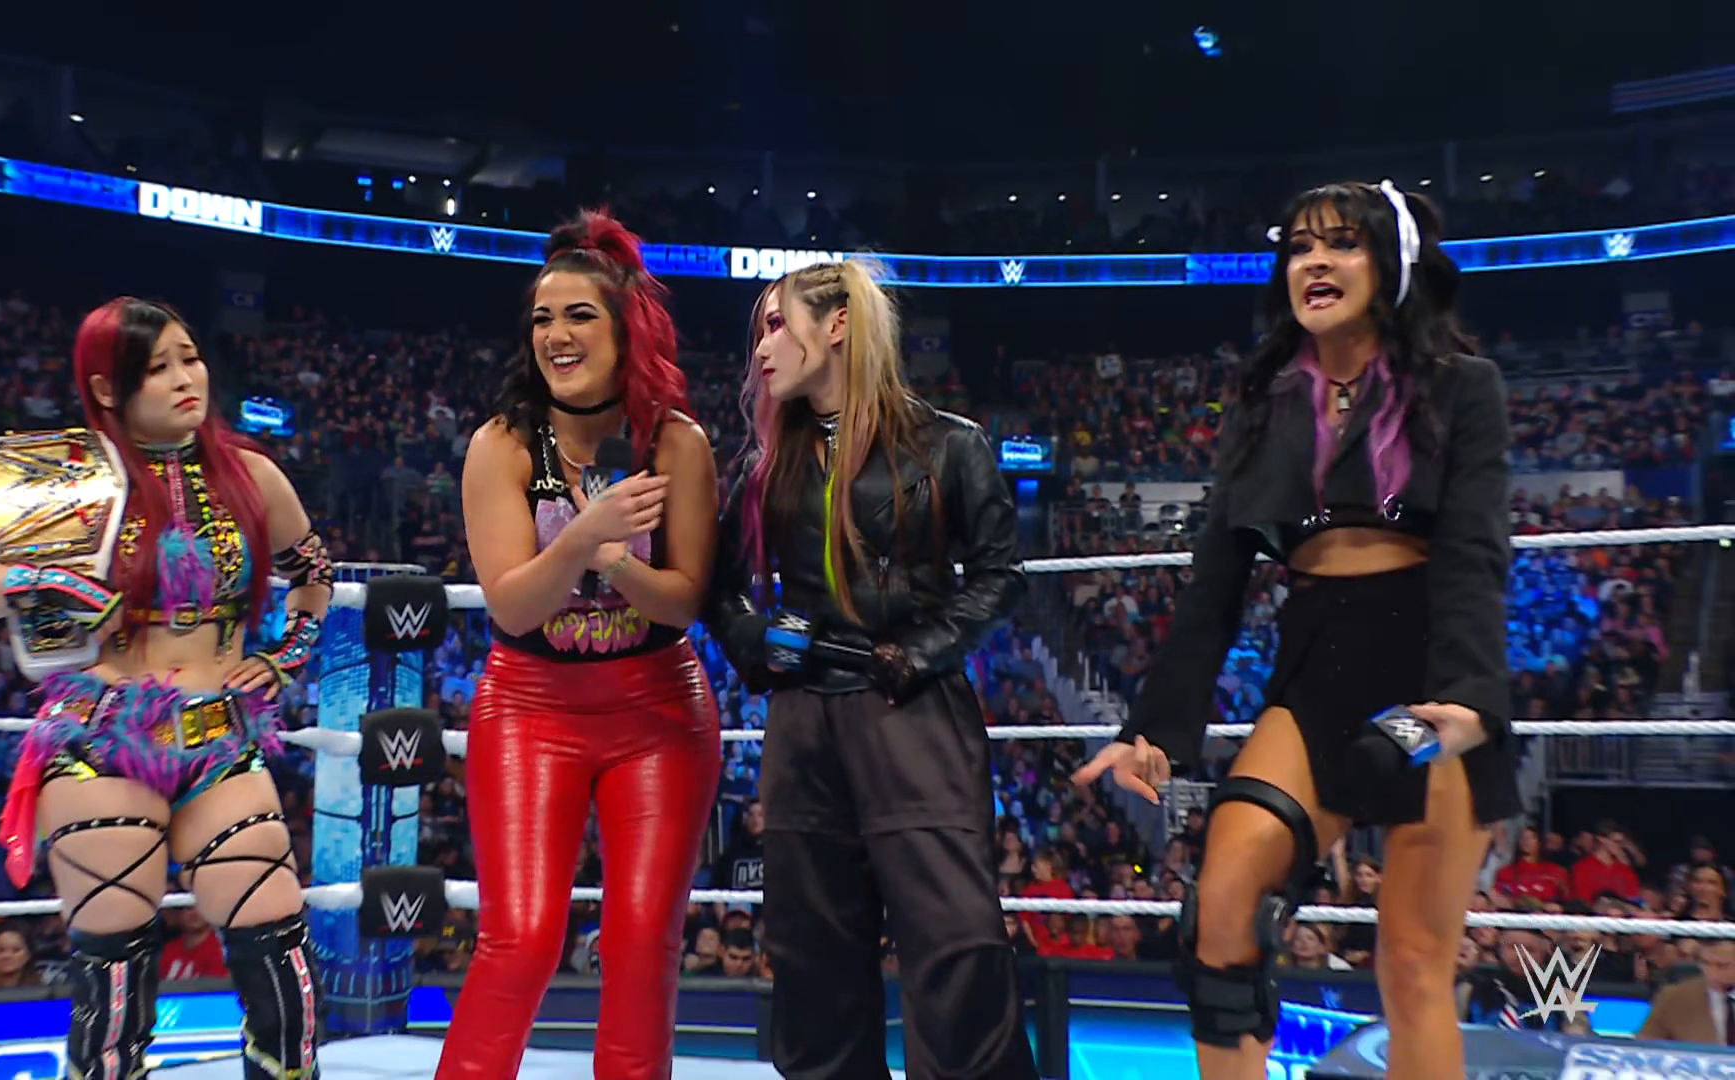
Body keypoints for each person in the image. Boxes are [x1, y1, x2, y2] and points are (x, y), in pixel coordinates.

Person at [1072, 180, 1518, 1080]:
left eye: (1343, 243)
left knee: (1412, 962)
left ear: (1390, 264)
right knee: (1221, 910)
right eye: (1301, 246)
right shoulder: (1265, 402)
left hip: (1431, 672)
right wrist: (1155, 730)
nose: (1315, 261)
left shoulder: (1462, 387)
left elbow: (1473, 553)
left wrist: (1466, 701)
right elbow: (1215, 584)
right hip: (1317, 663)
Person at [0, 297, 330, 1080]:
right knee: (114, 980)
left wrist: (286, 656)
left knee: (281, 955)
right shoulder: (67, 477)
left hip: (221, 734)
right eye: (158, 368)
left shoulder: (250, 473)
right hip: (102, 739)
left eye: (191, 357)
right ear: (106, 388)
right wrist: (43, 582)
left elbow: (312, 570)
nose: (186, 379)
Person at [708, 259, 1039, 1079]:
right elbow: (719, 587)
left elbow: (999, 574)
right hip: (805, 719)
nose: (761, 349)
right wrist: (759, 641)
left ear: (838, 325)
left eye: (776, 324)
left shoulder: (948, 444)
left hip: (912, 708)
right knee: (812, 954)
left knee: (956, 939)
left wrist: (921, 650)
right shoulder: (766, 464)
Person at [437, 209, 721, 1080]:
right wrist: (583, 537)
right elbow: (514, 605)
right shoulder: (501, 445)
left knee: (642, 941)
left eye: (578, 315)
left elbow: (683, 600)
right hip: (531, 705)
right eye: (542, 318)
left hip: (658, 707)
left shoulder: (676, 441)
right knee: (521, 938)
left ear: (626, 329)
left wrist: (615, 561)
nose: (555, 335)